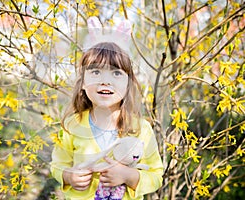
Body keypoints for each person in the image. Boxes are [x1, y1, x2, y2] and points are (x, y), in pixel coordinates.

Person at [50, 42, 163, 200]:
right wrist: (68, 176)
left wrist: (129, 176)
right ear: (83, 82)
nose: (105, 81)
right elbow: (58, 164)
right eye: (95, 72)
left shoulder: (141, 128)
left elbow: (156, 175)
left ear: (128, 84)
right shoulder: (72, 125)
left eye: (116, 73)